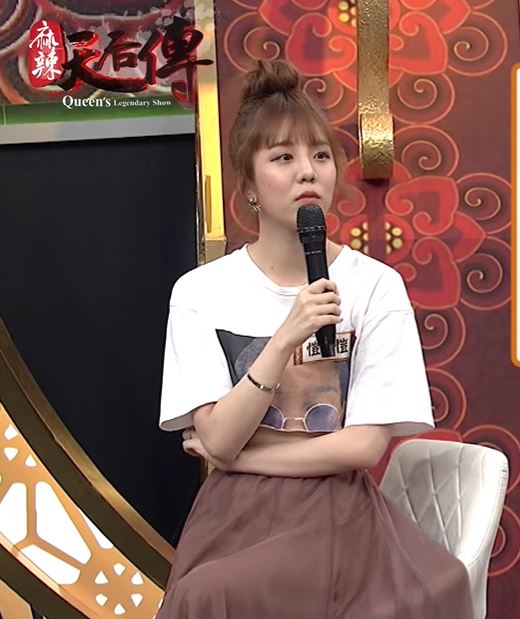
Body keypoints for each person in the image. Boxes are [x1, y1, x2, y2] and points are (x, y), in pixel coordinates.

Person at [156, 59, 472, 618]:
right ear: (248, 185)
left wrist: (240, 458)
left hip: (338, 508)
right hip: (233, 515)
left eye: (321, 156)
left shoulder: (375, 284)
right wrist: (286, 337)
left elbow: (362, 448)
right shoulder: (201, 291)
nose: (308, 172)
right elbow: (219, 436)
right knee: (204, 592)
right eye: (283, 158)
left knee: (215, 594)